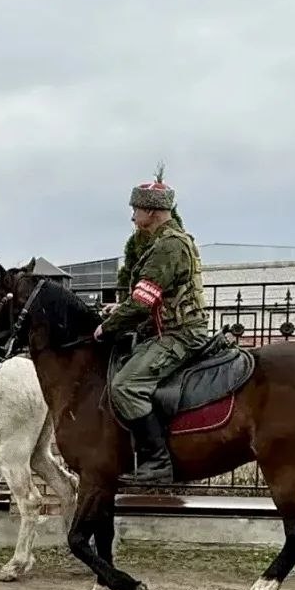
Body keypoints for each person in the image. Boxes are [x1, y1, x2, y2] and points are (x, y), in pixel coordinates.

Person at [94, 179, 210, 485]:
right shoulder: (169, 241)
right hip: (169, 329)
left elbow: (144, 303)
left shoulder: (169, 246)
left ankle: (158, 463)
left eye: (135, 209)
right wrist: (119, 310)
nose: (133, 216)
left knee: (126, 385)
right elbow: (153, 297)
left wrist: (106, 327)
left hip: (179, 334)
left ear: (151, 210)